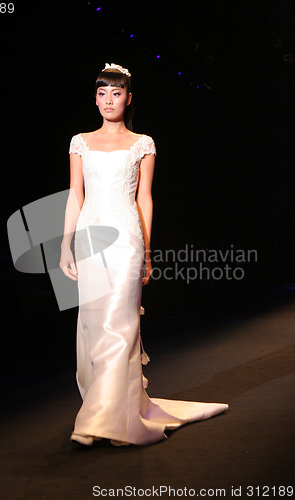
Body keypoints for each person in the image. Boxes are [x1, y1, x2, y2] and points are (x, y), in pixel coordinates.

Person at [60, 63, 228, 447]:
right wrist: (64, 244)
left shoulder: (143, 143)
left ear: (128, 98)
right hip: (89, 239)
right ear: (95, 97)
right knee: (93, 326)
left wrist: (147, 254)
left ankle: (98, 422)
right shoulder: (80, 142)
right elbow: (75, 194)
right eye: (102, 93)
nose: (108, 100)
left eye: (116, 93)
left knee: (121, 326)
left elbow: (144, 199)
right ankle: (107, 410)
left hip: (126, 240)